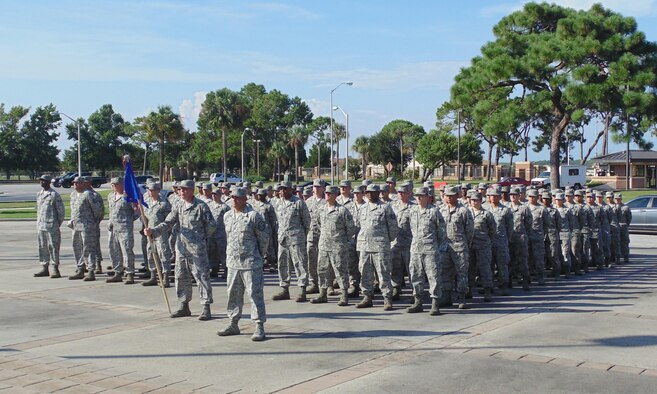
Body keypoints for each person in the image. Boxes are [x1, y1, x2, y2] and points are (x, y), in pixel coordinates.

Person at [144, 179, 217, 320]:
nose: (181, 192)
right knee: (181, 276)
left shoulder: (201, 206)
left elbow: (212, 225)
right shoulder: (178, 205)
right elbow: (168, 222)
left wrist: (200, 237)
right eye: (179, 189)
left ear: (192, 190)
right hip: (181, 248)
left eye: (184, 189)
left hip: (197, 249)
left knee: (201, 276)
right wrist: (153, 231)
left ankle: (206, 307)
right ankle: (184, 305)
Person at [218, 187, 270, 341]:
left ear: (244, 199)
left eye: (237, 198)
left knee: (255, 294)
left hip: (251, 262)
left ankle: (259, 325)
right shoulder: (227, 216)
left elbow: (264, 239)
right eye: (232, 197)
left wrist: (258, 255)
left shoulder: (253, 216)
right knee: (232, 294)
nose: (234, 200)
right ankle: (233, 323)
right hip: (233, 262)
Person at [355, 184, 399, 310]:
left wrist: (385, 240)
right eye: (367, 192)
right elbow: (359, 225)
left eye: (373, 192)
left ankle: (387, 298)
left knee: (383, 273)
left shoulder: (385, 208)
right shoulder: (363, 208)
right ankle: (367, 297)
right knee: (364, 272)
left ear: (378, 193)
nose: (370, 194)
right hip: (364, 246)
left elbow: (393, 228)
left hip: (380, 246)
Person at [311, 186, 356, 306]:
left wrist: (342, 239)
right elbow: (318, 225)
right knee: (322, 270)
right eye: (326, 193)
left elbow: (351, 228)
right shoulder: (322, 209)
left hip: (338, 245)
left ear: (336, 195)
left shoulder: (342, 210)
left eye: (330, 193)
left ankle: (344, 294)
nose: (327, 195)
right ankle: (322, 293)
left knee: (340, 270)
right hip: (324, 245)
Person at [407, 187, 446, 315]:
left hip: (430, 250)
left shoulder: (434, 212)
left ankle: (435, 303)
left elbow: (442, 233)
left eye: (421, 196)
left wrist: (437, 248)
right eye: (417, 196)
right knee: (415, 276)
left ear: (427, 197)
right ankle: (418, 302)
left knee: (433, 276)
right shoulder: (412, 211)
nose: (418, 198)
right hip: (415, 249)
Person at [272, 181, 312, 302]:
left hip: (296, 238)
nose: (283, 191)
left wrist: (301, 236)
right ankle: (285, 289)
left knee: (300, 263)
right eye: (281, 189)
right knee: (282, 264)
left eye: (285, 189)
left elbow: (307, 222)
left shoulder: (298, 203)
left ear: (291, 190)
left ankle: (302, 290)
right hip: (282, 238)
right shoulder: (278, 203)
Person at [439, 185, 474, 309]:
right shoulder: (441, 210)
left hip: (459, 246)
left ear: (457, 196)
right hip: (444, 247)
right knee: (444, 272)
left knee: (462, 272)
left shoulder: (464, 211)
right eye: (446, 196)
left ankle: (462, 297)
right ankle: (446, 297)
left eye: (451, 196)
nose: (448, 198)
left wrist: (464, 244)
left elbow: (469, 231)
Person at [68, 176, 103, 281]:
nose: (75, 185)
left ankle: (91, 270)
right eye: (74, 183)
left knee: (89, 248)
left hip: (87, 226)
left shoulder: (88, 194)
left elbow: (98, 211)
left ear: (83, 184)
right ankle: (80, 269)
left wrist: (93, 223)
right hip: (76, 226)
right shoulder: (73, 195)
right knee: (77, 248)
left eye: (77, 183)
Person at [106, 177, 139, 284]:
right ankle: (117, 272)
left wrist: (128, 221)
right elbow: (111, 211)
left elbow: (136, 212)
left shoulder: (128, 197)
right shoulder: (111, 196)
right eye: (112, 185)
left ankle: (130, 273)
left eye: (115, 184)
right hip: (113, 228)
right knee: (114, 250)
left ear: (121, 185)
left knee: (127, 251)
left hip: (125, 228)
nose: (113, 187)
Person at [142, 182, 173, 287]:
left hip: (161, 233)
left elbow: (169, 220)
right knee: (151, 253)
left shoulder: (164, 204)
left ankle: (165, 277)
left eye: (152, 190)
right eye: (148, 190)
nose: (149, 192)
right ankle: (153, 276)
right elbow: (144, 216)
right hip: (150, 233)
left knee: (163, 254)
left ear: (158, 190)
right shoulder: (146, 202)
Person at [34, 174, 65, 278]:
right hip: (41, 225)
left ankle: (55, 268)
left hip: (52, 226)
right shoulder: (39, 194)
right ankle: (44, 267)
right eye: (41, 180)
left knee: (53, 247)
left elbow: (61, 212)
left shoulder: (54, 195)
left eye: (44, 181)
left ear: (48, 182)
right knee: (42, 246)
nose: (41, 182)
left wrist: (56, 224)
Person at [468, 191, 496, 302]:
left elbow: (492, 230)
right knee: (470, 268)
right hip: (470, 245)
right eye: (472, 200)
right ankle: (469, 289)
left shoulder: (486, 214)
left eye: (476, 200)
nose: (474, 202)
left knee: (485, 269)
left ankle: (487, 291)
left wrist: (485, 239)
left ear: (480, 201)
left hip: (483, 245)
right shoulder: (467, 212)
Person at [486, 186, 513, 294]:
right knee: (489, 264)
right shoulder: (485, 208)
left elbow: (510, 227)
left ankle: (503, 285)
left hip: (501, 240)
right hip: (488, 241)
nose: (493, 198)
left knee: (502, 264)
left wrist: (506, 239)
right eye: (491, 196)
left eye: (495, 196)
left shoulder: (505, 210)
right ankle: (489, 285)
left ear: (499, 197)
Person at [390, 184, 414, 300]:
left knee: (411, 268)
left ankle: (415, 291)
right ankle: (396, 287)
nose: (400, 194)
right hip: (395, 242)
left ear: (409, 193)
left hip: (409, 243)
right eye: (399, 192)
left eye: (403, 192)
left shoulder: (413, 207)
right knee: (395, 267)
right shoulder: (392, 206)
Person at [305, 179, 327, 294]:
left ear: (323, 188)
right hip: (311, 236)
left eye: (319, 186)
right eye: (314, 186)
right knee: (311, 259)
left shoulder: (326, 201)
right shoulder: (308, 201)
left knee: (324, 261)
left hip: (324, 236)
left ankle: (326, 283)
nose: (316, 188)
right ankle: (314, 282)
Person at [508, 187, 532, 290]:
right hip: (509, 238)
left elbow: (528, 224)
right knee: (509, 260)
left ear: (519, 196)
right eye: (511, 195)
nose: (512, 196)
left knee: (522, 259)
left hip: (520, 237)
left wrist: (524, 235)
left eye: (515, 195)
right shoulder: (506, 208)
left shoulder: (524, 208)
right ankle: (509, 280)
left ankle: (525, 280)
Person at [615, 193, 632, 264]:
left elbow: (629, 218)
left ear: (621, 199)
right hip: (615, 227)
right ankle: (617, 258)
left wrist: (626, 224)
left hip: (623, 226)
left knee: (625, 242)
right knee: (616, 243)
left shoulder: (625, 207)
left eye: (619, 198)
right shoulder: (612, 207)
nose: (617, 200)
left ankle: (626, 257)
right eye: (616, 199)